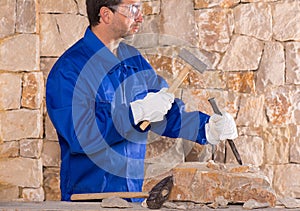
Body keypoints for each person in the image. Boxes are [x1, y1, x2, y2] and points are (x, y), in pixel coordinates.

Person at [46, 0, 238, 202]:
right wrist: (135, 113)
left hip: (132, 196)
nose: (140, 16)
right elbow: (81, 134)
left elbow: (165, 113)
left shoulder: (134, 60)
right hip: (88, 200)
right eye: (132, 8)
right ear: (105, 15)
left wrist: (205, 127)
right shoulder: (69, 70)